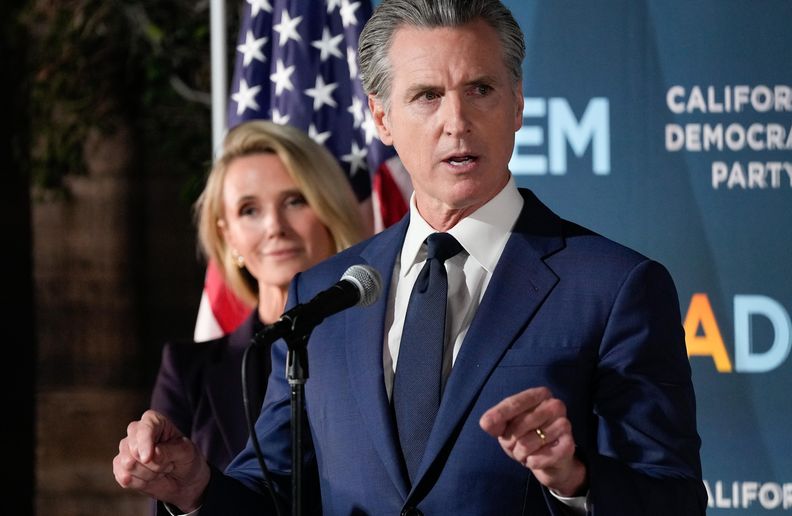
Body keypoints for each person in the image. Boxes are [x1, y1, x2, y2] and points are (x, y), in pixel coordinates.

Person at [113, 1, 706, 514]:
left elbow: (673, 498)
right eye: (427, 96)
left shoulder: (613, 287)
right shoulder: (323, 297)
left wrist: (573, 480)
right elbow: (272, 495)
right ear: (381, 118)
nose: (456, 122)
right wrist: (195, 489)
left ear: (517, 105)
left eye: (480, 89)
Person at [145, 119, 367, 510]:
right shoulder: (186, 370)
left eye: (295, 201)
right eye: (249, 210)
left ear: (329, 209)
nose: (275, 227)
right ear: (228, 236)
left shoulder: (382, 346)